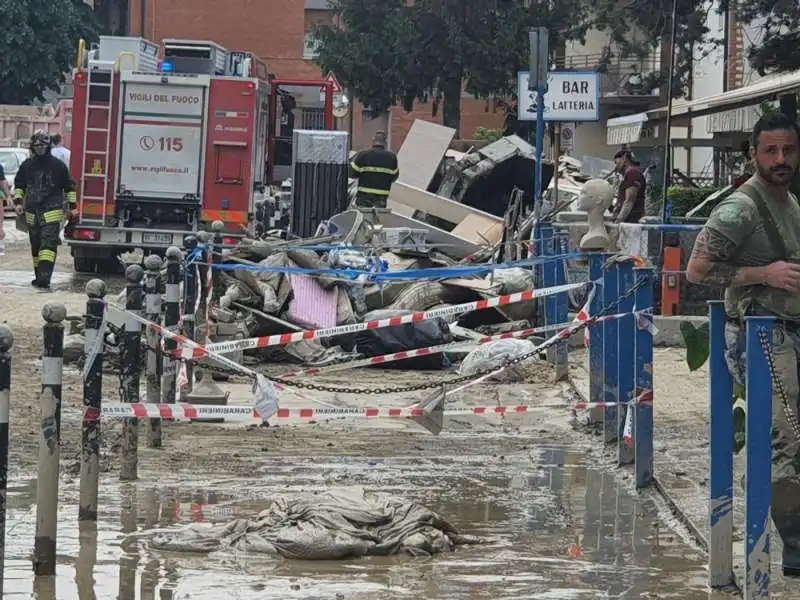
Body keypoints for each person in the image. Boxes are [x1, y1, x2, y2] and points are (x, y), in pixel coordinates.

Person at [686, 111, 800, 577]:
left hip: (787, 331)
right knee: (785, 442)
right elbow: (695, 270)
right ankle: (793, 544)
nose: (780, 159)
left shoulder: (789, 202)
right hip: (761, 337)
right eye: (770, 150)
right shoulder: (740, 208)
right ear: (754, 153)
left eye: (788, 150)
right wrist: (763, 274)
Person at [12, 131, 76, 288]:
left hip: (52, 212)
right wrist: (19, 202)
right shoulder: (27, 165)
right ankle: (39, 275)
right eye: (37, 146)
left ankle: (44, 277)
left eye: (43, 146)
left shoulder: (58, 166)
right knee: (36, 246)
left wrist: (72, 207)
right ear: (33, 147)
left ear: (48, 147)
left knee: (48, 245)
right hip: (32, 213)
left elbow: (69, 186)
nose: (40, 148)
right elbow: (19, 185)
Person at [349, 131, 399, 208]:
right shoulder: (392, 157)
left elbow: (352, 173)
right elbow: (394, 177)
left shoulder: (363, 154)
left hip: (363, 197)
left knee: (363, 217)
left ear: (373, 140)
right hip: (381, 198)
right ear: (385, 142)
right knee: (378, 218)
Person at [611, 149, 646, 223]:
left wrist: (619, 220)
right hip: (628, 220)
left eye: (616, 162)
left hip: (630, 221)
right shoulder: (628, 175)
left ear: (624, 159)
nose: (616, 166)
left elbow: (629, 200)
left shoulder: (632, 174)